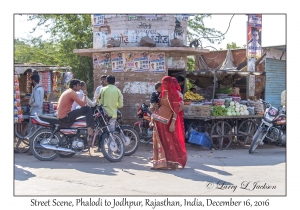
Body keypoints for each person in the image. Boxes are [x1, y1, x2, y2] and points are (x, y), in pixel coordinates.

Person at [151, 76, 187, 170]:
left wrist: (173, 123)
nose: (164, 85)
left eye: (165, 83)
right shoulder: (162, 94)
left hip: (168, 122)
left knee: (169, 142)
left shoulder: (174, 95)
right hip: (159, 122)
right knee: (160, 142)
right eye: (163, 83)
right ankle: (160, 163)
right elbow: (158, 106)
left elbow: (176, 111)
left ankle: (171, 163)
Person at [27, 74, 44, 155]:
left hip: (35, 112)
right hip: (39, 112)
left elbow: (36, 102)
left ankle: (32, 149)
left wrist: (30, 104)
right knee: (38, 131)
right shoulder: (41, 88)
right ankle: (38, 148)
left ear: (33, 81)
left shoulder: (36, 90)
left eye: (31, 81)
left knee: (32, 130)